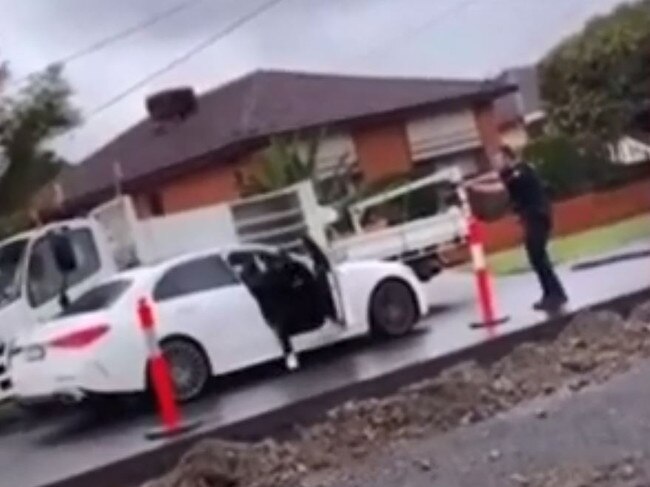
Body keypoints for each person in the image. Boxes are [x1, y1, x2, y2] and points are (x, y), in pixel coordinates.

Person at [464, 145, 568, 311]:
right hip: (531, 218)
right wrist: (472, 181)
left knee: (538, 257)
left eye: (497, 160)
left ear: (507, 157)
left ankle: (555, 295)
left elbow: (498, 187)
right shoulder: (510, 172)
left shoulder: (521, 171)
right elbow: (493, 177)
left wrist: (474, 188)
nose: (495, 164)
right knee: (537, 258)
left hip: (537, 216)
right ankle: (552, 294)